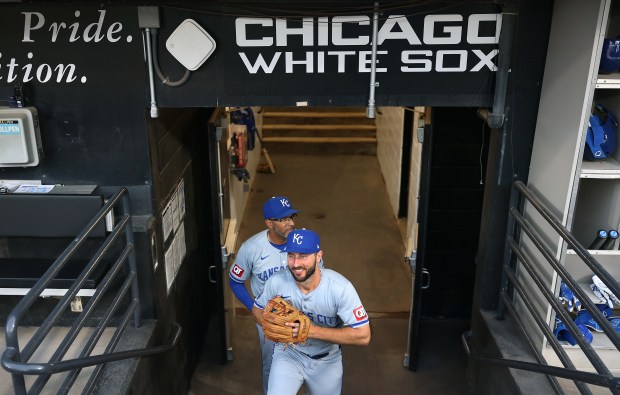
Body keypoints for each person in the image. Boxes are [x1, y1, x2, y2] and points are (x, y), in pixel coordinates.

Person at [252, 229, 371, 395]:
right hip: (288, 354)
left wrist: (311, 331)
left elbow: (363, 335)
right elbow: (257, 309)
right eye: (291, 255)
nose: (295, 263)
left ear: (319, 256)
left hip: (327, 360)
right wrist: (267, 322)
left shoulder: (340, 288)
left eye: (303, 256)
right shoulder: (277, 281)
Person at [228, 195, 300, 394]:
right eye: (284, 219)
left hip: (302, 316)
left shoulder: (303, 243)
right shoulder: (251, 248)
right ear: (269, 223)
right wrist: (254, 310)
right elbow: (235, 281)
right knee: (273, 366)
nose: (291, 223)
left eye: (292, 217)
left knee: (307, 364)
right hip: (270, 319)